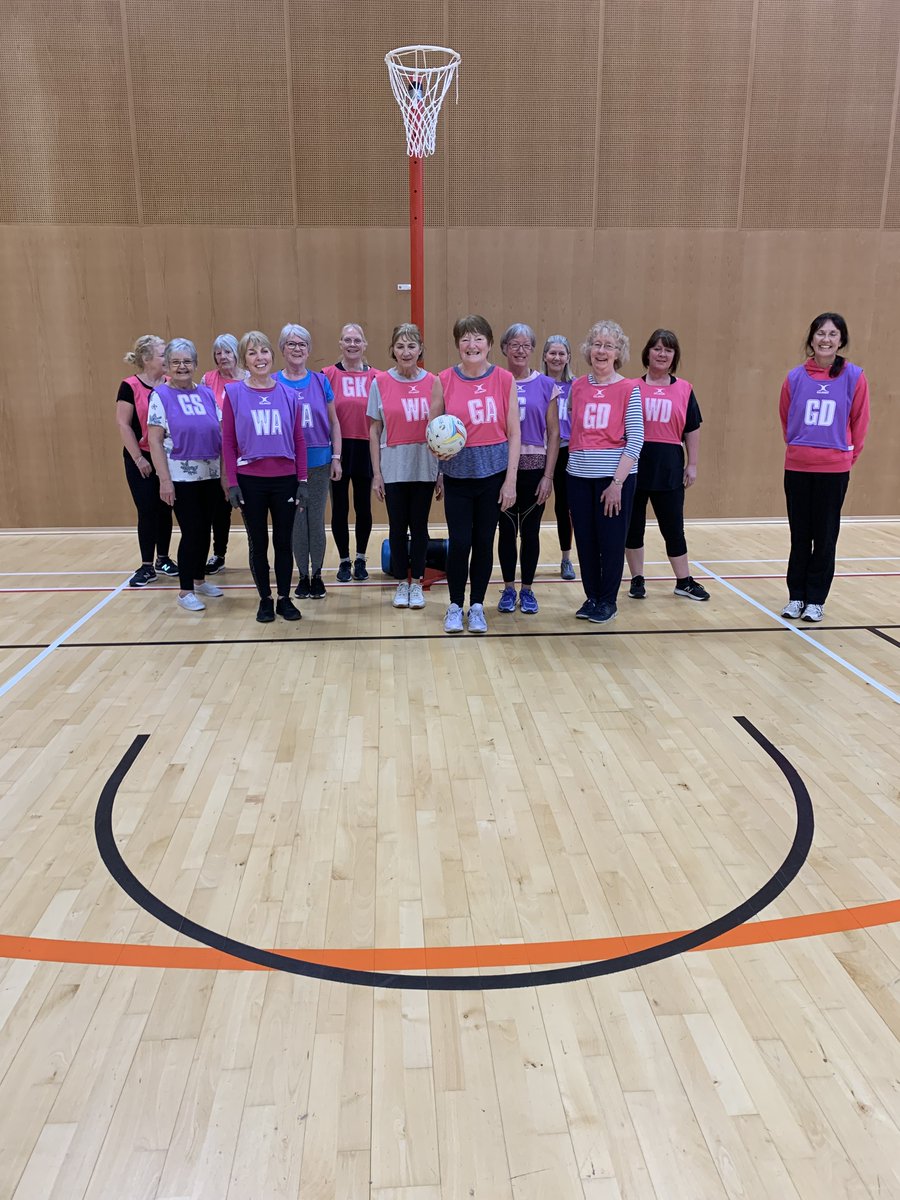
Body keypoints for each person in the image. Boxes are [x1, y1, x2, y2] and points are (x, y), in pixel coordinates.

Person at [429, 315, 520, 634]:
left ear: (490, 344)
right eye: (465, 339)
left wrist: (510, 480)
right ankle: (455, 605)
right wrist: (439, 466)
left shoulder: (504, 379)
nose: (472, 345)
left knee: (484, 541)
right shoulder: (443, 379)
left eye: (478, 338)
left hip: (493, 474)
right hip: (457, 475)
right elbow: (433, 432)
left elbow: (514, 432)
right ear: (457, 345)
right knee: (460, 542)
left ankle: (477, 605)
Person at [779, 312, 870, 622]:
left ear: (841, 340)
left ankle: (816, 599)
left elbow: (860, 421)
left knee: (826, 535)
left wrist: (845, 457)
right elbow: (786, 417)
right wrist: (799, 447)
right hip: (799, 466)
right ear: (811, 338)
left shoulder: (854, 376)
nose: (826, 339)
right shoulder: (794, 377)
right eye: (820, 333)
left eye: (832, 334)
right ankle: (796, 596)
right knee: (799, 534)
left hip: (834, 469)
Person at [222, 331, 307, 623]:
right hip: (250, 481)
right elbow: (228, 443)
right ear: (244, 359)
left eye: (264, 351)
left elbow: (299, 439)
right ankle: (265, 599)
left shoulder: (288, 394)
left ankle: (284, 597)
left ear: (273, 355)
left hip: (284, 479)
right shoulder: (233, 393)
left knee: (284, 542)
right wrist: (232, 483)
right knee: (258, 543)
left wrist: (303, 480)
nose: (260, 358)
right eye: (252, 353)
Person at [567, 321, 644, 624]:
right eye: (597, 344)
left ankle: (608, 601)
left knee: (611, 542)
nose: (601, 350)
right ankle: (592, 597)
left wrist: (617, 483)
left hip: (614, 479)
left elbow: (636, 438)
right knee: (585, 541)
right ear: (589, 350)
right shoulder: (578, 386)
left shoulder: (629, 388)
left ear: (618, 352)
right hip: (578, 477)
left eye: (608, 345)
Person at [625, 329, 709, 602]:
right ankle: (637, 579)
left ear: (674, 356)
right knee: (632, 526)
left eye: (668, 350)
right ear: (647, 353)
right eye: (657, 348)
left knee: (673, 527)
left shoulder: (684, 389)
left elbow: (692, 429)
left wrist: (692, 464)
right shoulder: (630, 387)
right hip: (635, 465)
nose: (662, 354)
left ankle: (683, 581)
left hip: (669, 466)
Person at [146, 339, 224, 613]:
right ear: (167, 365)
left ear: (195, 364)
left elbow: (220, 432)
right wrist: (164, 480)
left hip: (210, 473)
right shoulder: (161, 396)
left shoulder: (206, 393)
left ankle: (200, 579)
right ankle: (185, 590)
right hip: (181, 476)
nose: (182, 366)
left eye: (187, 361)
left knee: (205, 530)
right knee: (191, 531)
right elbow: (154, 441)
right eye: (176, 362)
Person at [368, 323, 440, 610]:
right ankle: (401, 582)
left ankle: (417, 582)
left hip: (424, 466)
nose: (406, 351)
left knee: (420, 527)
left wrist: (442, 473)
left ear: (420, 349)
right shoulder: (380, 382)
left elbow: (442, 429)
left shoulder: (434, 381)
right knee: (397, 527)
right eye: (400, 346)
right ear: (392, 350)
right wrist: (376, 474)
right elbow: (374, 430)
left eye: (412, 346)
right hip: (394, 467)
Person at [496, 324, 559, 614]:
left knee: (530, 532)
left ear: (533, 350)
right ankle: (508, 589)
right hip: (503, 469)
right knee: (507, 531)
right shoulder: (497, 381)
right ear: (504, 348)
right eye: (514, 345)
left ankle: (528, 590)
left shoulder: (547, 385)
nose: (520, 351)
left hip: (535, 469)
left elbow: (555, 434)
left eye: (526, 345)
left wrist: (548, 476)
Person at [275, 324, 341, 600]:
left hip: (319, 461)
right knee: (297, 523)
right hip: (287, 466)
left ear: (309, 349)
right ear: (282, 349)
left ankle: (317, 575)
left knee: (316, 520)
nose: (297, 348)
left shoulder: (320, 381)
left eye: (302, 344)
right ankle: (302, 575)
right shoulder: (274, 382)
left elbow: (334, 422)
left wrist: (336, 456)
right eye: (291, 344)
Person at [115, 334, 178, 587]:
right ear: (146, 358)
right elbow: (123, 424)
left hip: (167, 455)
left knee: (166, 508)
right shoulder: (129, 386)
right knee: (148, 509)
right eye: (163, 354)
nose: (168, 359)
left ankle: (163, 559)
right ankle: (146, 565)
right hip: (140, 457)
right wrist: (139, 458)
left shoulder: (172, 383)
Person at [324, 324, 377, 582]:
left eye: (357, 340)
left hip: (366, 447)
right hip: (339, 449)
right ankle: (344, 560)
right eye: (348, 340)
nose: (353, 344)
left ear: (365, 344)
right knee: (340, 508)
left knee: (363, 507)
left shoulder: (376, 377)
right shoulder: (327, 375)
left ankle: (361, 558)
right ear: (341, 344)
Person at [200, 333, 246, 575]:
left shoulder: (249, 379)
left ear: (236, 354)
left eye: (227, 352)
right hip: (216, 453)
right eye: (218, 353)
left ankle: (256, 552)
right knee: (219, 507)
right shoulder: (208, 380)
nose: (222, 357)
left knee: (249, 505)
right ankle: (218, 554)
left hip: (245, 451)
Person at [542, 334, 576, 580]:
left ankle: (566, 559)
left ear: (568, 358)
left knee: (564, 507)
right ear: (544, 356)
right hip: (539, 450)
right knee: (533, 503)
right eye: (552, 353)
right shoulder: (537, 383)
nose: (556, 357)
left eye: (561, 353)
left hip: (566, 450)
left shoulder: (576, 386)